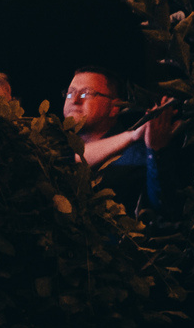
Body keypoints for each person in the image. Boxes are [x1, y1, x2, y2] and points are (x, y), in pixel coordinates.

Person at [65, 65, 179, 217]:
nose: (75, 100)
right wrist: (132, 134)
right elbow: (67, 159)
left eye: (86, 94)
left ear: (114, 107)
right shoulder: (51, 145)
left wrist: (156, 152)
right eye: (70, 93)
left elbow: (162, 207)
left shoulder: (135, 156)